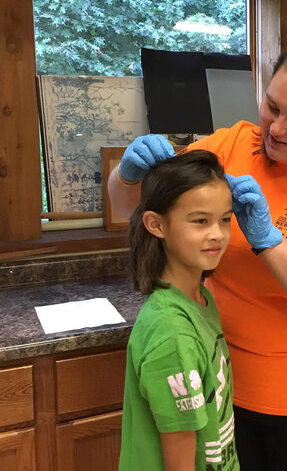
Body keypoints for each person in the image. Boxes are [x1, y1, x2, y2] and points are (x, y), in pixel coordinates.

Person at [110, 41, 287, 470]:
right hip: (222, 385)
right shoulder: (232, 146)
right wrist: (127, 173)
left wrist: (270, 242)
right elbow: (131, 209)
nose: (276, 128)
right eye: (272, 106)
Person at [119, 150, 240, 471]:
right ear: (156, 224)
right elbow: (180, 458)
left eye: (225, 220)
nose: (217, 234)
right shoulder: (172, 334)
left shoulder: (200, 299)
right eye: (200, 221)